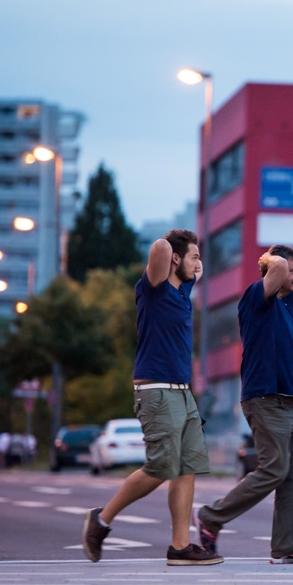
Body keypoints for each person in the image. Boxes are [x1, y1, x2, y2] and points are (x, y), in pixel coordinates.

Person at [82, 230, 222, 566]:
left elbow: (193, 270)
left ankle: (179, 546)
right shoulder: (153, 287)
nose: (198, 262)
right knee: (161, 467)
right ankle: (100, 521)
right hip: (156, 391)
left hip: (183, 393)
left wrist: (194, 261)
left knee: (186, 469)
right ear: (175, 259)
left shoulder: (183, 289)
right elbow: (160, 247)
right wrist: (174, 244)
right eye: (193, 256)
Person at [197, 244, 293, 564]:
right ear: (273, 270)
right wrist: (279, 264)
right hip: (266, 398)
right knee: (274, 469)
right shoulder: (257, 298)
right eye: (291, 271)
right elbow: (279, 270)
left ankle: (288, 545)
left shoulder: (288, 302)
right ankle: (212, 517)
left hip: (292, 402)